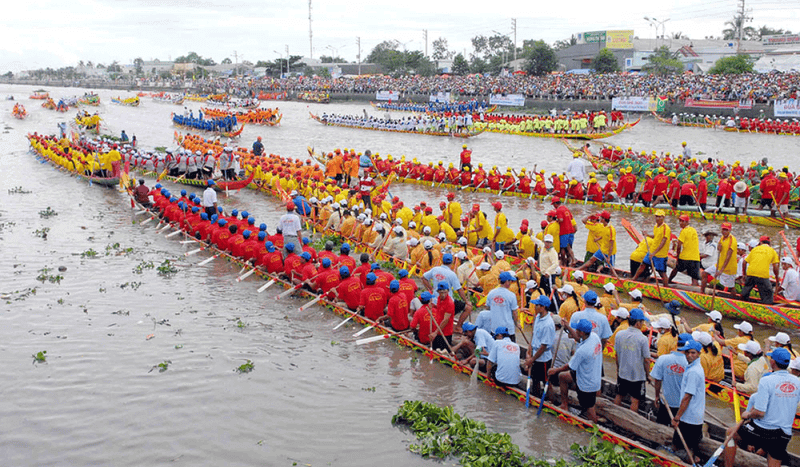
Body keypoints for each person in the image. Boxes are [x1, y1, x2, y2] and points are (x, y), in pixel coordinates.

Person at [723, 347, 800, 467]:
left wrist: (748, 414)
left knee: (731, 433)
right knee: (775, 458)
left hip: (763, 430)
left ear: (773, 362)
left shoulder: (766, 381)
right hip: (784, 433)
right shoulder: (797, 382)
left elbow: (759, 413)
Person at [549, 319, 602, 423]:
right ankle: (564, 405)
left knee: (589, 407)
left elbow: (570, 366)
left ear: (582, 332)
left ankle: (593, 424)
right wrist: (567, 326)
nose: (575, 331)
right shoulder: (594, 337)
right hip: (590, 374)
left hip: (587, 383)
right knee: (562, 376)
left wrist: (555, 370)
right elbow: (578, 338)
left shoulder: (583, 351)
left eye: (577, 330)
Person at [671, 339, 705, 464]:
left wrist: (677, 417)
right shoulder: (692, 368)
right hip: (692, 415)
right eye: (687, 353)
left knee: (686, 449)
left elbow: (687, 397)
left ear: (698, 354)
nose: (689, 355)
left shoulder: (694, 372)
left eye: (693, 353)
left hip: (690, 418)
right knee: (682, 445)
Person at [612, 308, 651, 413]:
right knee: (635, 400)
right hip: (637, 376)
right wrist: (648, 375)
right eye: (642, 322)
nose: (643, 324)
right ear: (638, 323)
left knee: (619, 395)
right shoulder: (643, 339)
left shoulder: (619, 334)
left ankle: (614, 414)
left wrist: (618, 369)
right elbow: (647, 360)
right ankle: (632, 418)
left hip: (622, 372)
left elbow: (617, 355)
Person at [651, 333, 691, 426]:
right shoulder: (690, 364)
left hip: (666, 401)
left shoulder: (663, 359)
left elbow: (657, 380)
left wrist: (657, 396)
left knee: (661, 426)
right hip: (682, 406)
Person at [524, 295, 555, 396]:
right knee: (535, 379)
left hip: (543, 358)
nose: (534, 307)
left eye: (536, 305)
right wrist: (529, 351)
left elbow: (543, 346)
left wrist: (532, 360)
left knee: (546, 382)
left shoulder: (548, 324)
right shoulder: (537, 317)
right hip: (534, 353)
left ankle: (551, 400)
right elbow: (533, 334)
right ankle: (535, 396)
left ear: (543, 307)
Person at [631, 210, 670, 286]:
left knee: (662, 273)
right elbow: (656, 237)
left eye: (659, 217)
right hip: (651, 251)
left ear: (663, 217)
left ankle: (666, 287)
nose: (657, 218)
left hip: (660, 255)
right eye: (656, 216)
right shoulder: (656, 226)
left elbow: (663, 242)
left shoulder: (666, 228)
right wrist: (647, 235)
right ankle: (633, 279)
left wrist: (654, 253)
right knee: (642, 265)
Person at [740, 235, 779, 304]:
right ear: (769, 243)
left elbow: (744, 262)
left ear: (760, 242)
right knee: (768, 293)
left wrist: (744, 275)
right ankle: (767, 306)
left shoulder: (755, 249)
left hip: (751, 273)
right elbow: (775, 267)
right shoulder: (772, 251)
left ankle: (742, 302)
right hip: (762, 275)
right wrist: (776, 277)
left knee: (746, 290)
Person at [485, 271, 519, 342]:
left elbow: (487, 308)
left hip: (494, 328)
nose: (510, 283)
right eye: (510, 281)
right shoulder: (511, 295)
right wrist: (517, 323)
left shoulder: (491, 293)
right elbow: (514, 313)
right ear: (507, 282)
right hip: (508, 329)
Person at [668, 215, 701, 286]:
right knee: (694, 277)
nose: (680, 223)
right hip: (696, 258)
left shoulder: (684, 231)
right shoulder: (693, 230)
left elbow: (679, 246)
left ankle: (668, 282)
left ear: (687, 222)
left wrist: (677, 257)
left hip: (685, 257)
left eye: (682, 221)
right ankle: (695, 290)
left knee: (676, 269)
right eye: (680, 221)